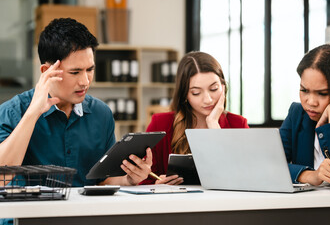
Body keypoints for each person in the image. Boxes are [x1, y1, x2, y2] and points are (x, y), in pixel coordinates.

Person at [0, 18, 152, 187]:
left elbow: (103, 181)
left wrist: (128, 179)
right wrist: (33, 113)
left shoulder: (101, 114)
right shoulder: (12, 112)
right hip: (30, 213)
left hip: (83, 213)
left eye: (90, 70)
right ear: (46, 71)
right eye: (75, 72)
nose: (85, 81)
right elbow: (1, 178)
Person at [279, 44, 330, 225]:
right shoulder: (297, 114)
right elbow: (271, 163)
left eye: (322, 93)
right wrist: (309, 175)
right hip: (307, 214)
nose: (310, 102)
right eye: (304, 90)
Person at [141, 51, 249, 185]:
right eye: (196, 93)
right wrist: (157, 184)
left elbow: (247, 177)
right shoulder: (161, 123)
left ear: (223, 87)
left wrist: (214, 125)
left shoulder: (238, 124)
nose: (208, 99)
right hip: (176, 203)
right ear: (185, 94)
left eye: (214, 89)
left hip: (223, 203)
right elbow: (142, 177)